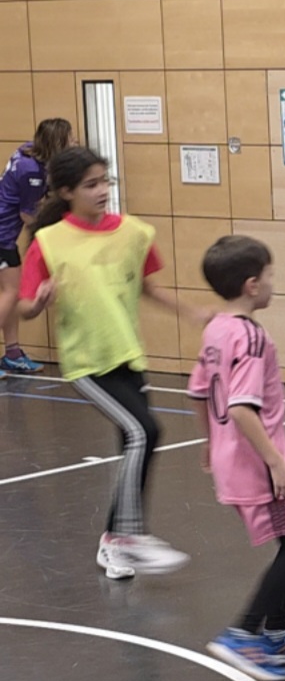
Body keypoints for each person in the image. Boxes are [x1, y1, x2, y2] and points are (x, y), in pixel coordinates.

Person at [18, 146, 197, 579]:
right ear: (66, 192)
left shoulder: (134, 232)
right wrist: (38, 303)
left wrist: (192, 312)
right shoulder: (49, 242)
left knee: (134, 442)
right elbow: (23, 307)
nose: (102, 190)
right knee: (144, 430)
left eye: (105, 181)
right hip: (85, 362)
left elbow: (148, 288)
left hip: (127, 355)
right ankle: (128, 538)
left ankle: (113, 543)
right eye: (91, 184)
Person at [189, 235, 285, 681]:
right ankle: (244, 633)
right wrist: (277, 463)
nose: (272, 284)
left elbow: (199, 391)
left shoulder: (216, 329)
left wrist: (209, 441)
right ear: (251, 285)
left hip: (232, 458)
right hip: (257, 465)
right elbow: (242, 407)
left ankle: (277, 634)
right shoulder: (251, 338)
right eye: (269, 276)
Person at [0, 118, 73, 374]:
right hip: (2, 236)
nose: (74, 142)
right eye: (70, 139)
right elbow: (27, 215)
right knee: (11, 293)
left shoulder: (29, 152)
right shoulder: (31, 172)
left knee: (10, 292)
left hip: (5, 236)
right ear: (58, 143)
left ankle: (12, 353)